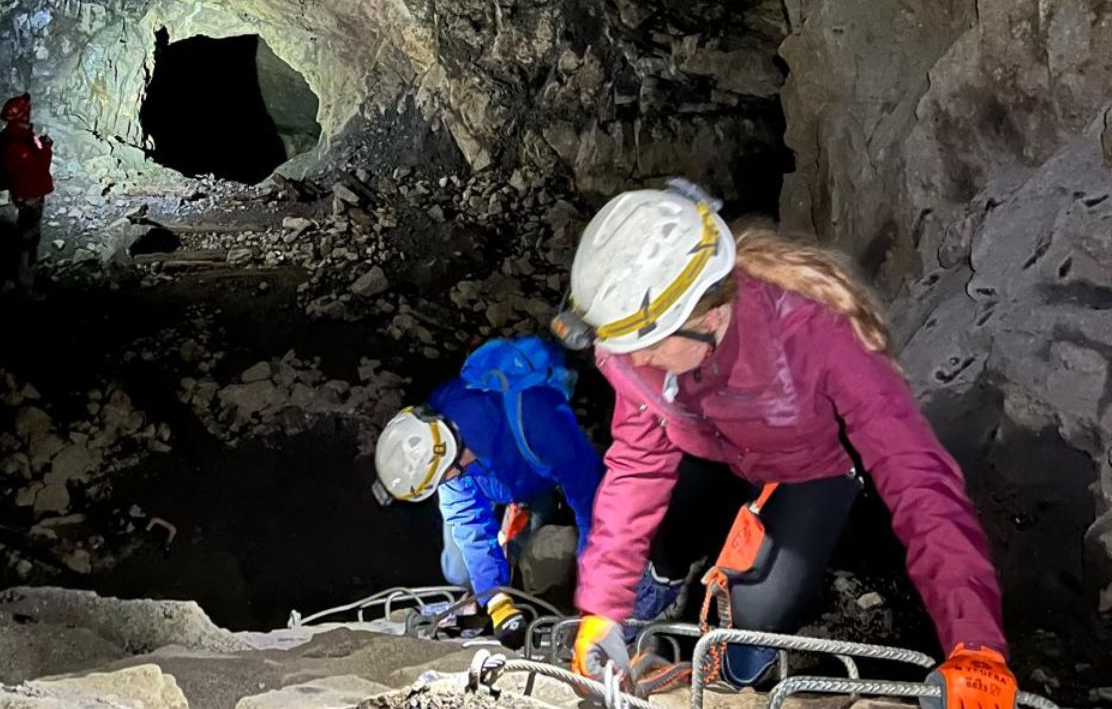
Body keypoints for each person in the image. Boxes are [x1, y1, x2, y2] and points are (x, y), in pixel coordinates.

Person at [552, 179, 1016, 709]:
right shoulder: (635, 347)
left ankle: (740, 670)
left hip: (808, 469)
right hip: (708, 448)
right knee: (670, 528)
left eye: (648, 349)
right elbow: (637, 462)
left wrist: (974, 640)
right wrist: (601, 609)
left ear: (710, 317)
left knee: (755, 625)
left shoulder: (816, 331)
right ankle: (658, 586)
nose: (632, 364)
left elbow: (916, 475)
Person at [372, 336, 603, 648]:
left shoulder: (539, 426)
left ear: (448, 464)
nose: (444, 484)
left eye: (441, 480)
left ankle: (526, 556)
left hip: (538, 480)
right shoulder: (443, 445)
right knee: (457, 568)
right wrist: (497, 603)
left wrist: (595, 598)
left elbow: (593, 504)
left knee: (544, 563)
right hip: (496, 477)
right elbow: (467, 519)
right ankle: (494, 585)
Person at [0, 93, 53, 288]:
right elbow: (39, 167)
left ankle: (20, 274)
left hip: (20, 193)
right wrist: (46, 148)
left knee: (25, 231)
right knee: (29, 238)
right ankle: (25, 281)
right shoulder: (20, 145)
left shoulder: (10, 137)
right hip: (30, 195)